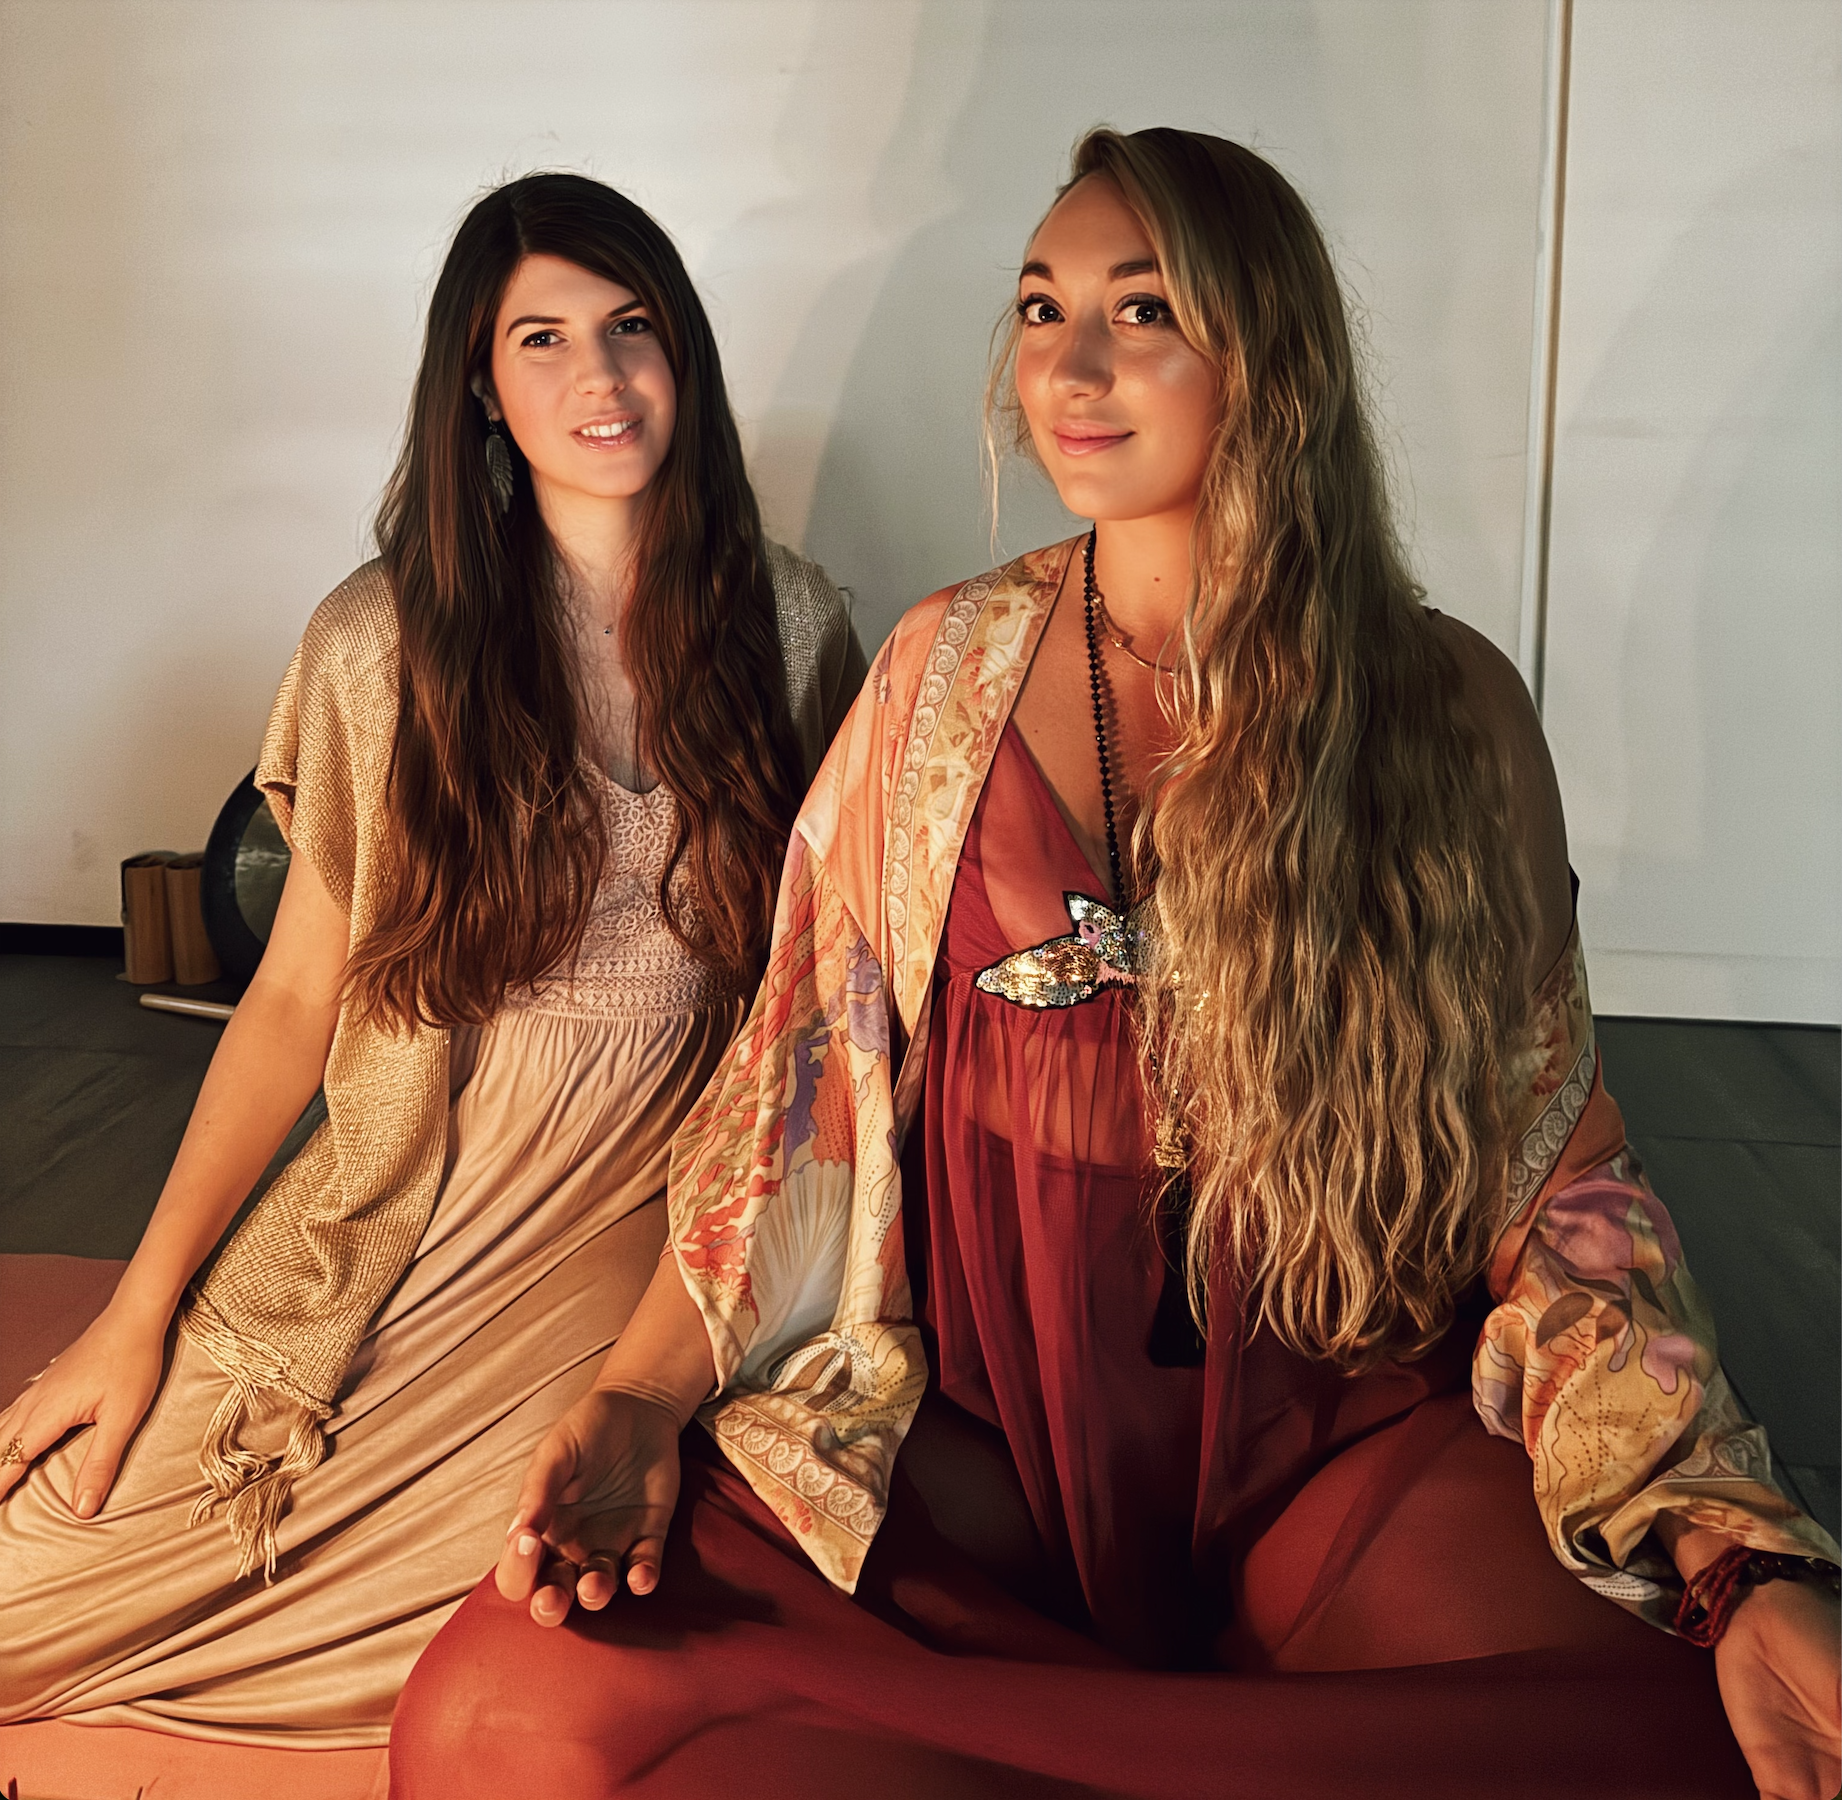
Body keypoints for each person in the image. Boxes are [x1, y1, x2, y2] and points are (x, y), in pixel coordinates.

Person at [388, 132, 1839, 1799]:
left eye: (1138, 311)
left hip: (1338, 1434)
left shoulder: (1449, 714)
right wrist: (644, 1397)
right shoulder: (940, 676)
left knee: (1686, 1726)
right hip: (983, 1438)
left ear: (1265, 355)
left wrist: (1737, 1557)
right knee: (514, 1712)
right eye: (1038, 306)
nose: (1067, 366)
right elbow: (797, 1101)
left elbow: (1553, 1168)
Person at [0, 171, 863, 1749]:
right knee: (42, 1571)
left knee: (516, 1590)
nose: (600, 380)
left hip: (653, 1214)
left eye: (633, 328)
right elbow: (290, 998)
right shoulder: (378, 642)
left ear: (684, 355)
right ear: (480, 377)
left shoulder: (797, 628)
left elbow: (822, 1002)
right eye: (543, 340)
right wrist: (141, 1308)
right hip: (413, 1185)